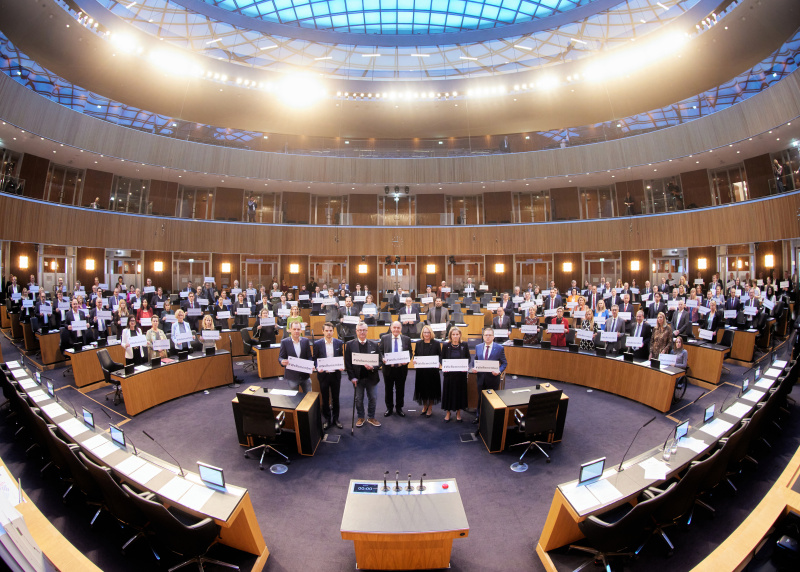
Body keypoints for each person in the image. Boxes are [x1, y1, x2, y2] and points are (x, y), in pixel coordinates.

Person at [345, 321, 381, 428]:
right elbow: (348, 363)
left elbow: (380, 360)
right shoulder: (350, 345)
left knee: (373, 398)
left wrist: (373, 367)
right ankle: (361, 417)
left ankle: (371, 417)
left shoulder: (374, 344)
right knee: (358, 399)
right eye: (360, 330)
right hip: (358, 378)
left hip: (372, 377)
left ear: (367, 331)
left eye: (364, 330)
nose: (362, 332)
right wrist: (352, 377)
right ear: (356, 331)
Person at [313, 322, 345, 430]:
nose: (329, 333)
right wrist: (318, 367)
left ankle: (336, 419)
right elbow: (315, 359)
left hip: (336, 375)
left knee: (336, 398)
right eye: (326, 331)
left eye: (330, 331)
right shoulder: (317, 344)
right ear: (323, 331)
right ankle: (327, 419)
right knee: (325, 398)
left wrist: (341, 365)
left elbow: (341, 357)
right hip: (324, 375)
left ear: (333, 331)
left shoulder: (339, 342)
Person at [473, 328, 507, 423]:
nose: (487, 337)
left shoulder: (499, 348)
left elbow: (504, 363)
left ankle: (490, 417)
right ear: (483, 337)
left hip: (493, 379)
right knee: (480, 398)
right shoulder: (478, 347)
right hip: (480, 378)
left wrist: (499, 371)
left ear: (493, 337)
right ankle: (478, 416)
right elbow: (475, 360)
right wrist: (474, 367)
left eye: (489, 335)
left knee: (492, 398)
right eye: (485, 335)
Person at [379, 321, 411, 417]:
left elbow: (410, 352)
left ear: (401, 329)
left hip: (401, 368)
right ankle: (389, 408)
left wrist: (407, 360)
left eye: (398, 328)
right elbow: (380, 351)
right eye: (394, 327)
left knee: (400, 389)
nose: (396, 329)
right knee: (388, 389)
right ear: (391, 328)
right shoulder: (384, 338)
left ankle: (399, 408)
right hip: (388, 368)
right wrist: (382, 358)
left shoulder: (406, 339)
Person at [441, 327, 471, 423]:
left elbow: (469, 358)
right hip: (449, 375)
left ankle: (458, 413)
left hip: (460, 375)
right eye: (453, 334)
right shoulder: (446, 345)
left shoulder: (464, 345)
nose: (455, 336)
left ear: (460, 335)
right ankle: (448, 413)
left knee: (459, 394)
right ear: (450, 335)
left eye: (457, 334)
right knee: (448, 393)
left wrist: (465, 366)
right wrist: (444, 366)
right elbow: (442, 358)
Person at [413, 325, 442, 418]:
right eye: (425, 332)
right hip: (421, 372)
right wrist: (414, 360)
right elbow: (415, 355)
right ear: (422, 333)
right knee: (423, 389)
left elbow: (440, 356)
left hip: (433, 372)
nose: (426, 334)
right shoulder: (418, 343)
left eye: (428, 332)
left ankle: (430, 407)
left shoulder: (436, 343)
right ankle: (425, 405)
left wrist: (439, 362)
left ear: (431, 333)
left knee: (432, 389)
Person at [278, 322, 313, 393]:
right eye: (294, 329)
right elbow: (281, 357)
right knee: (294, 400)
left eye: (298, 329)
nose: (296, 331)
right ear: (290, 330)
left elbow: (309, 356)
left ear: (301, 330)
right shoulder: (285, 342)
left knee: (309, 398)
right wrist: (282, 361)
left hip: (305, 376)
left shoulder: (305, 341)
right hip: (292, 376)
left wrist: (311, 364)